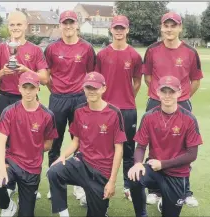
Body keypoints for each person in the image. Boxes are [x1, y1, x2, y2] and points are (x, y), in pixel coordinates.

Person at [142, 12, 203, 207]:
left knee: (184, 147)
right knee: (154, 144)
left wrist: (180, 98)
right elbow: (148, 78)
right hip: (155, 101)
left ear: (180, 28)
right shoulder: (152, 50)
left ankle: (184, 190)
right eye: (166, 26)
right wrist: (160, 97)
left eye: (173, 25)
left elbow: (195, 81)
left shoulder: (190, 52)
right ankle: (154, 190)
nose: (169, 29)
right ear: (161, 28)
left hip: (182, 102)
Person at [47, 72, 126, 217]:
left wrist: (112, 181)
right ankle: (63, 214)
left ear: (103, 88)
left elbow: (119, 149)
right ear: (83, 89)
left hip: (101, 172)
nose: (91, 91)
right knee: (53, 171)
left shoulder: (114, 113)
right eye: (88, 88)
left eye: (95, 88)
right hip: (81, 163)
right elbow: (76, 141)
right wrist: (63, 156)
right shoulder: (79, 110)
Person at [0, 10, 49, 199]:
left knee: (29, 140)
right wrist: (2, 72)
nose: (15, 28)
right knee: (7, 141)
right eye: (12, 25)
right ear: (8, 27)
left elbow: (45, 78)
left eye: (19, 24)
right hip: (6, 98)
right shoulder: (1, 49)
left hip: (29, 99)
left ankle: (29, 180)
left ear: (26, 26)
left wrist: (26, 69)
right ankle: (10, 181)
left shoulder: (34, 49)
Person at [128, 75, 203, 217]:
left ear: (179, 93)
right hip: (154, 169)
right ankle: (141, 214)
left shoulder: (189, 119)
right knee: (134, 176)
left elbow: (192, 154)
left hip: (176, 173)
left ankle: (166, 202)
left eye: (172, 91)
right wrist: (138, 163)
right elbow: (140, 146)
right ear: (157, 92)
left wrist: (163, 164)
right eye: (164, 91)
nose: (167, 95)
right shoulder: (149, 116)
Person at [42, 10, 96, 200]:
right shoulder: (51, 48)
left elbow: (90, 75)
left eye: (71, 22)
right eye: (65, 23)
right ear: (60, 25)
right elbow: (47, 76)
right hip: (57, 98)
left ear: (77, 24)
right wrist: (57, 91)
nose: (68, 26)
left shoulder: (87, 48)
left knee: (80, 141)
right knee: (54, 141)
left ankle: (79, 184)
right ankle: (54, 181)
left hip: (80, 99)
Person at [0, 71, 58, 217]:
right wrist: (2, 168)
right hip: (12, 162)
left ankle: (24, 200)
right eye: (25, 87)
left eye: (32, 87)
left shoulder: (47, 115)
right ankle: (8, 206)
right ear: (19, 87)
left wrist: (32, 146)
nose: (28, 91)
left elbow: (49, 144)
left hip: (32, 168)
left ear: (38, 88)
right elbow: (1, 142)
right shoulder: (9, 111)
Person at [94, 15, 142, 202]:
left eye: (122, 28)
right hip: (106, 110)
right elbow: (96, 81)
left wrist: (129, 96)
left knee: (129, 149)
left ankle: (128, 185)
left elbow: (137, 81)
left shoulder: (135, 56)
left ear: (127, 30)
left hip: (128, 109)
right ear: (111, 30)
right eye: (116, 28)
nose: (119, 31)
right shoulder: (103, 54)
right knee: (104, 149)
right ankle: (100, 183)